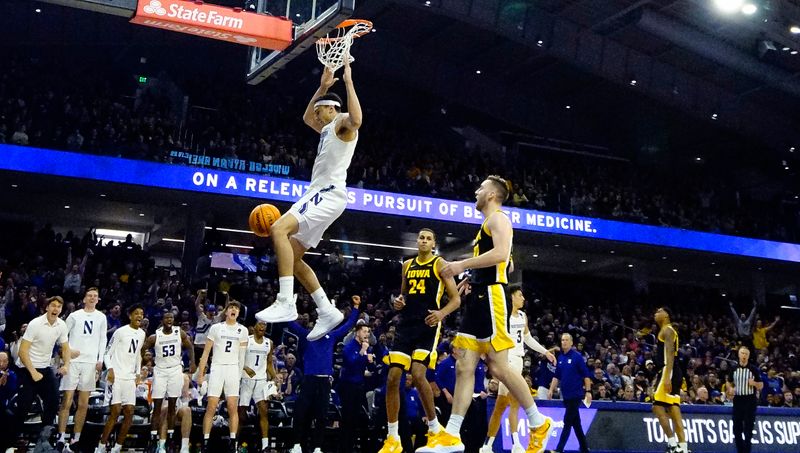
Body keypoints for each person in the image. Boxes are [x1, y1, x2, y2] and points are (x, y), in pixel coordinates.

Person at [423, 175, 553, 453]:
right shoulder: (486, 224)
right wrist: (473, 276)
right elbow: (499, 262)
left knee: (497, 366)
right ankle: (453, 435)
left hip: (493, 297)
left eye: (480, 188)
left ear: (492, 194)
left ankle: (538, 422)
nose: (476, 191)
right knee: (464, 365)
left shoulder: (499, 219)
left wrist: (461, 266)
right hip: (480, 295)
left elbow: (503, 254)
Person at [256, 54, 362, 341]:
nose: (315, 117)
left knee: (279, 228)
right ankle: (327, 310)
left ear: (330, 109)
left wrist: (348, 81)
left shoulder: (340, 123)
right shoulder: (327, 127)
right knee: (294, 255)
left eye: (320, 111)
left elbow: (357, 119)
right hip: (324, 195)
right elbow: (305, 117)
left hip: (326, 193)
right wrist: (321, 87)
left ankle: (286, 301)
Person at [379, 227, 461, 453]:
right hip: (406, 324)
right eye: (421, 238)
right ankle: (392, 437)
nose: (424, 241)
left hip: (428, 325)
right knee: (393, 377)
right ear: (416, 241)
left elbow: (455, 300)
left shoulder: (440, 264)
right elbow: (403, 295)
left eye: (428, 238)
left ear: (433, 243)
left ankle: (435, 430)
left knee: (417, 374)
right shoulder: (407, 265)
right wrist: (398, 302)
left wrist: (441, 314)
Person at [480, 286, 555, 453]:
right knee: (508, 403)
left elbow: (527, 338)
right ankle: (511, 444)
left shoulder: (522, 316)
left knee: (505, 404)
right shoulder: (503, 316)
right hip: (508, 360)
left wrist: (545, 352)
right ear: (511, 297)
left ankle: (490, 445)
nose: (523, 298)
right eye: (520, 295)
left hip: (518, 360)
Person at [288, 295, 361, 453]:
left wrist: (355, 308)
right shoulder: (307, 335)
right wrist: (290, 305)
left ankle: (318, 447)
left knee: (321, 415)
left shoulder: (332, 336)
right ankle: (296, 445)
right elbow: (290, 324)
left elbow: (348, 325)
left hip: (324, 381)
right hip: (308, 380)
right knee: (301, 413)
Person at [8, 296, 70, 451]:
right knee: (23, 407)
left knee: (54, 400)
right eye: (53, 306)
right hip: (27, 367)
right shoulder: (35, 324)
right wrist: (33, 372)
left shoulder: (61, 325)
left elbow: (66, 348)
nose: (56, 309)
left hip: (44, 367)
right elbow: (22, 351)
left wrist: (66, 364)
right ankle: (10, 443)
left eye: (59, 307)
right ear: (47, 307)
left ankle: (44, 439)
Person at [57, 287, 108, 452]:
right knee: (67, 399)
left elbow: (102, 339)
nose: (93, 298)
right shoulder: (74, 316)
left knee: (84, 403)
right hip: (73, 361)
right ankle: (61, 436)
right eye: (90, 295)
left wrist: (100, 360)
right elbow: (62, 336)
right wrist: (67, 353)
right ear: (84, 299)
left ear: (98, 299)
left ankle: (76, 439)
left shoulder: (101, 317)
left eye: (95, 296)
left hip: (90, 362)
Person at [196, 300, 249, 451]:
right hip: (217, 367)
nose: (233, 310)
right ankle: (205, 442)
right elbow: (206, 352)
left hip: (233, 369)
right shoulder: (216, 328)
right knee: (211, 406)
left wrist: (239, 376)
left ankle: (233, 442)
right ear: (226, 312)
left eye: (236, 308)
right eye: (231, 307)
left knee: (233, 407)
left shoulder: (243, 330)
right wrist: (201, 374)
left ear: (238, 313)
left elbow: (242, 356)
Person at [141, 311, 196, 453]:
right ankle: (154, 440)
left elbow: (190, 346)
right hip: (160, 370)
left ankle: (170, 440)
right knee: (158, 406)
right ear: (162, 320)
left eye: (171, 317)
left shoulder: (179, 333)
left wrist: (192, 362)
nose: (169, 319)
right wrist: (140, 364)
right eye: (166, 317)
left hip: (175, 370)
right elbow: (142, 350)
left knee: (172, 405)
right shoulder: (155, 336)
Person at [96, 304, 146, 453]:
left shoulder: (142, 334)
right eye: (136, 313)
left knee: (130, 411)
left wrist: (138, 373)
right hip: (116, 376)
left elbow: (138, 355)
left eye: (141, 314)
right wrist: (110, 369)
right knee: (115, 412)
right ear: (130, 315)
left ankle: (118, 447)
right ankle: (101, 446)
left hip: (130, 378)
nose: (139, 316)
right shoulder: (120, 332)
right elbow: (106, 353)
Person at [651, 307, 689, 453]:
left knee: (657, 406)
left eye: (658, 311)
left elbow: (670, 353)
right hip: (673, 371)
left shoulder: (667, 330)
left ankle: (673, 444)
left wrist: (666, 377)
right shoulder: (668, 330)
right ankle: (683, 447)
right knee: (674, 409)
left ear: (666, 315)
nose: (656, 313)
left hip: (669, 370)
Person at [548, 333, 591, 453]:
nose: (564, 342)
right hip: (566, 395)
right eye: (562, 340)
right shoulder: (560, 358)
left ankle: (559, 449)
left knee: (567, 422)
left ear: (571, 343)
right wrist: (551, 390)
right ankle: (584, 449)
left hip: (576, 395)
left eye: (566, 340)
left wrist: (588, 391)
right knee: (576, 424)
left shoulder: (577, 357)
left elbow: (586, 375)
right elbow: (556, 376)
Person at [238, 321, 276, 453]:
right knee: (241, 415)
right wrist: (245, 367)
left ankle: (265, 445)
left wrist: (275, 377)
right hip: (246, 380)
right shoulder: (246, 340)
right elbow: (237, 358)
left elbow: (269, 363)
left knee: (264, 412)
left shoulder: (269, 343)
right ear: (254, 327)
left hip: (261, 380)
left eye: (265, 326)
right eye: (260, 324)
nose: (262, 327)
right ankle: (235, 443)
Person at [338, 322, 373, 453]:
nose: (367, 334)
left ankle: (354, 446)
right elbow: (351, 363)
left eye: (368, 332)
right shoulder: (349, 347)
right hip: (348, 386)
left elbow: (361, 368)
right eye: (364, 331)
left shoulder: (364, 347)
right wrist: (363, 351)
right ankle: (344, 448)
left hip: (359, 385)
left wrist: (370, 362)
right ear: (357, 332)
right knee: (347, 418)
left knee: (358, 419)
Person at [727, 346, 763, 453]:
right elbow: (728, 381)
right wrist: (730, 388)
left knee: (748, 429)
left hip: (750, 401)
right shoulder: (733, 368)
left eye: (746, 354)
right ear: (739, 354)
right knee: (736, 428)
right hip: (738, 400)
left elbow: (761, 385)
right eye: (742, 353)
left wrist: (754, 383)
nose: (744, 356)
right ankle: (740, 450)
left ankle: (746, 451)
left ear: (748, 356)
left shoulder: (753, 369)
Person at [159, 374, 195, 453]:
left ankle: (184, 447)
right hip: (163, 406)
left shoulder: (183, 377)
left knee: (187, 410)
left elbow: (185, 399)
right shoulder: (160, 375)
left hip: (177, 406)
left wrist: (185, 382)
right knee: (166, 410)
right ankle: (162, 446)